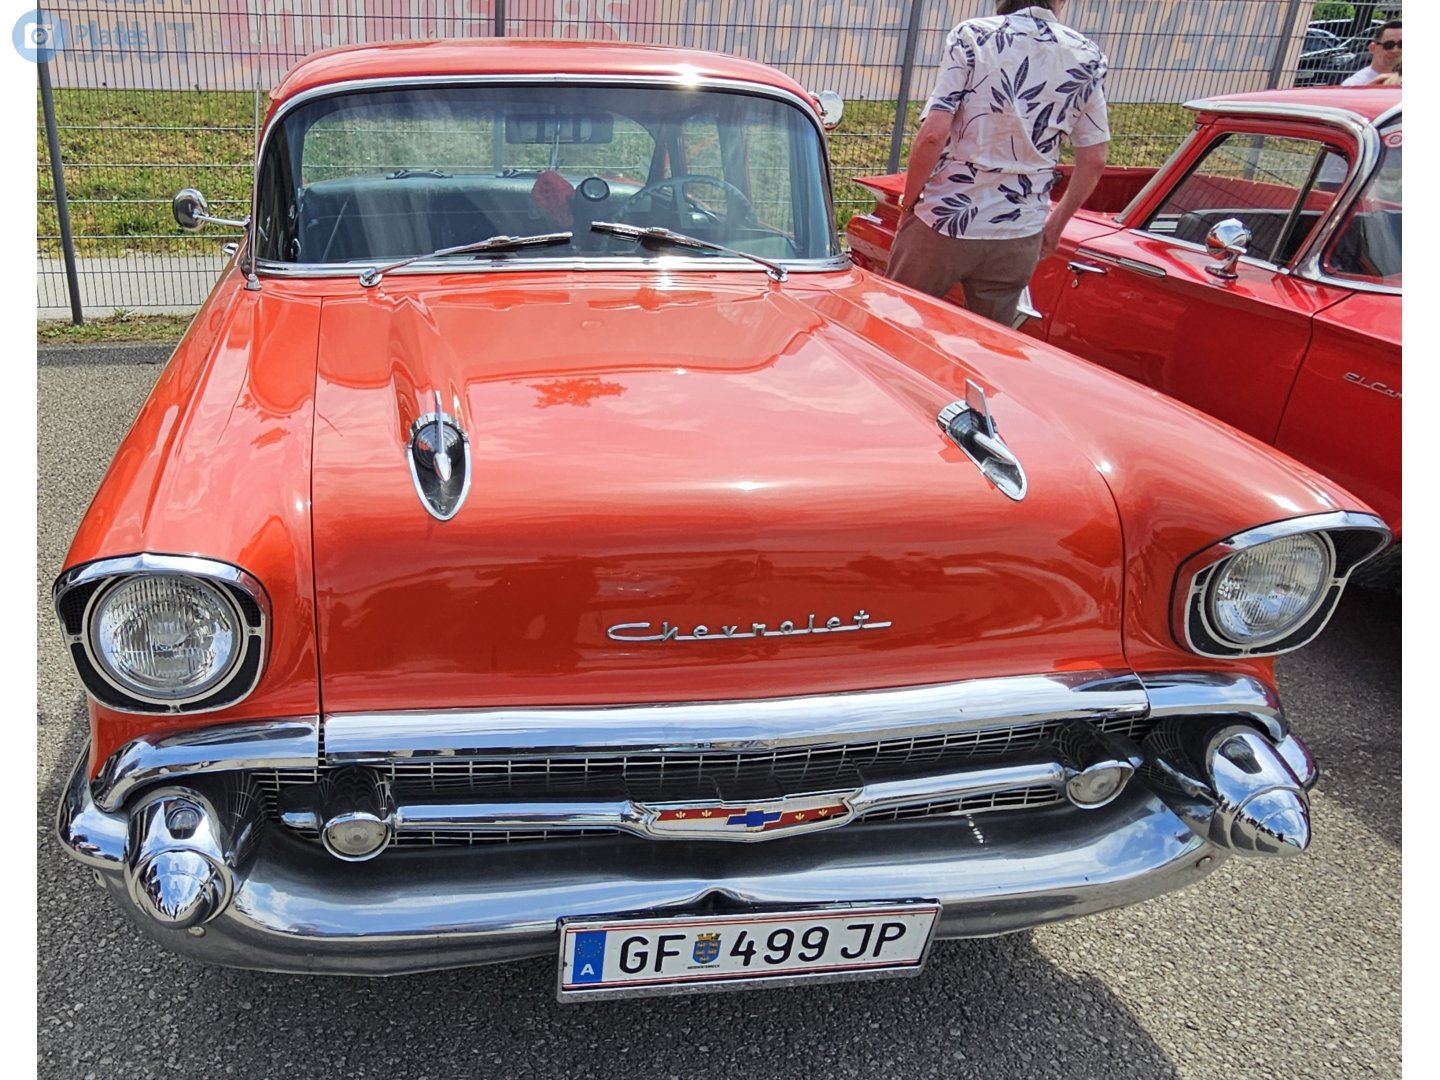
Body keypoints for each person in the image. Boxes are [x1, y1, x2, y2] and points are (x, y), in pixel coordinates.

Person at [887, 0, 1109, 326]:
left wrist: (908, 201)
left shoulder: (973, 36)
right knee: (988, 347)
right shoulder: (1087, 56)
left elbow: (933, 135)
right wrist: (1055, 225)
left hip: (945, 217)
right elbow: (1094, 159)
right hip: (1020, 228)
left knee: (899, 328)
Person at [1342, 20, 1401, 86]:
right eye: (1389, 45)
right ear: (1373, 48)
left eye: (1401, 44)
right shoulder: (1355, 84)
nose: (1395, 50)